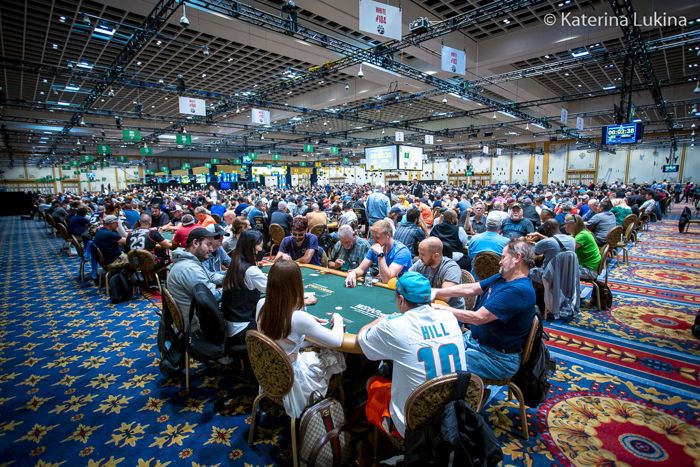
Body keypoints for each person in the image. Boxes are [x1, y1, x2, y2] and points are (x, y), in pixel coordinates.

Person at [358, 272, 466, 438]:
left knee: (372, 381)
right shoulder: (449, 317)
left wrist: (380, 320)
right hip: (454, 414)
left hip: (413, 425)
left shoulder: (394, 326)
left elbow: (362, 339)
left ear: (401, 299)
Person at [433, 239, 536, 381]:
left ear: (517, 258)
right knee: (433, 348)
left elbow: (478, 318)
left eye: (503, 257)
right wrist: (437, 292)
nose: (499, 262)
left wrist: (440, 308)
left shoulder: (518, 290)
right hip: (475, 342)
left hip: (497, 359)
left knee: (439, 364)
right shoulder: (503, 277)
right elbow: (471, 288)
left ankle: (461, 399)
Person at [256, 259, 345, 418]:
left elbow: (282, 331)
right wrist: (338, 319)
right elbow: (337, 341)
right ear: (296, 284)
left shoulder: (261, 303)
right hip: (293, 382)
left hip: (269, 373)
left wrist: (307, 320)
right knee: (334, 354)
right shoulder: (297, 318)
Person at [167, 227, 221, 326]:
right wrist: (232, 286)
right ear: (195, 243)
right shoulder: (190, 269)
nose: (211, 249)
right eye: (208, 244)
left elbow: (210, 275)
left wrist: (231, 277)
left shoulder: (190, 260)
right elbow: (212, 297)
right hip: (197, 325)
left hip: (195, 314)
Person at [221, 230, 266, 347]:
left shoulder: (235, 262)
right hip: (242, 328)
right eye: (259, 247)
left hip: (231, 324)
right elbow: (275, 290)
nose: (261, 251)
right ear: (252, 248)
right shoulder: (251, 271)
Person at [345, 219, 412, 287]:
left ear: (388, 235)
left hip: (402, 290)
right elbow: (361, 269)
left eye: (377, 237)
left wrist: (380, 255)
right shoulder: (376, 247)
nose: (374, 240)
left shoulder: (402, 252)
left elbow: (387, 279)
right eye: (372, 237)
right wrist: (354, 273)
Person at [410, 237, 464, 309]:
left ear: (435, 256)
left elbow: (445, 296)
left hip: (450, 312)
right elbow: (406, 279)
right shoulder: (421, 263)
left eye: (422, 254)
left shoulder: (451, 268)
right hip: (427, 307)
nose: (419, 257)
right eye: (419, 253)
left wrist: (415, 288)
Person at [467, 211, 510, 278]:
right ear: (500, 226)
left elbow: (470, 256)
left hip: (476, 277)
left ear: (486, 224)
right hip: (497, 279)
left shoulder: (474, 239)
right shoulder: (506, 242)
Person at [564, 214, 601, 281]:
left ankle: (569, 290)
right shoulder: (581, 233)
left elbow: (566, 249)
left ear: (573, 224)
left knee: (559, 269)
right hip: (589, 267)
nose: (564, 226)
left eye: (566, 223)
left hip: (589, 271)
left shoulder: (582, 236)